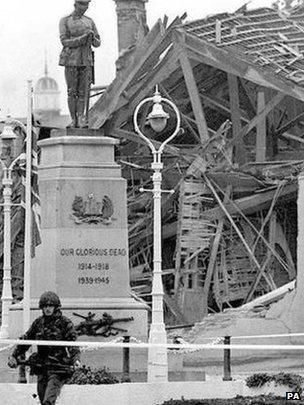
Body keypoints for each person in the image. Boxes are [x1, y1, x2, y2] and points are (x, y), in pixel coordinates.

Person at [8, 291, 81, 405]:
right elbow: (26, 341)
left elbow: (72, 344)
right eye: (45, 306)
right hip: (41, 367)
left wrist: (76, 359)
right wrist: (14, 355)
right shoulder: (38, 323)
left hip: (58, 368)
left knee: (48, 400)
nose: (47, 309)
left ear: (55, 307)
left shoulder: (65, 323)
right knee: (42, 399)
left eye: (50, 306)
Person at [59, 0, 101, 128]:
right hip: (71, 60)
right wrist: (82, 38)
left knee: (84, 91)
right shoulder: (65, 20)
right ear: (76, 5)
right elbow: (65, 41)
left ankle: (81, 118)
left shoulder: (90, 21)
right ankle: (73, 120)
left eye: (87, 5)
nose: (85, 8)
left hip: (86, 60)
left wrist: (92, 38)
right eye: (83, 5)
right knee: (72, 91)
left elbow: (98, 42)